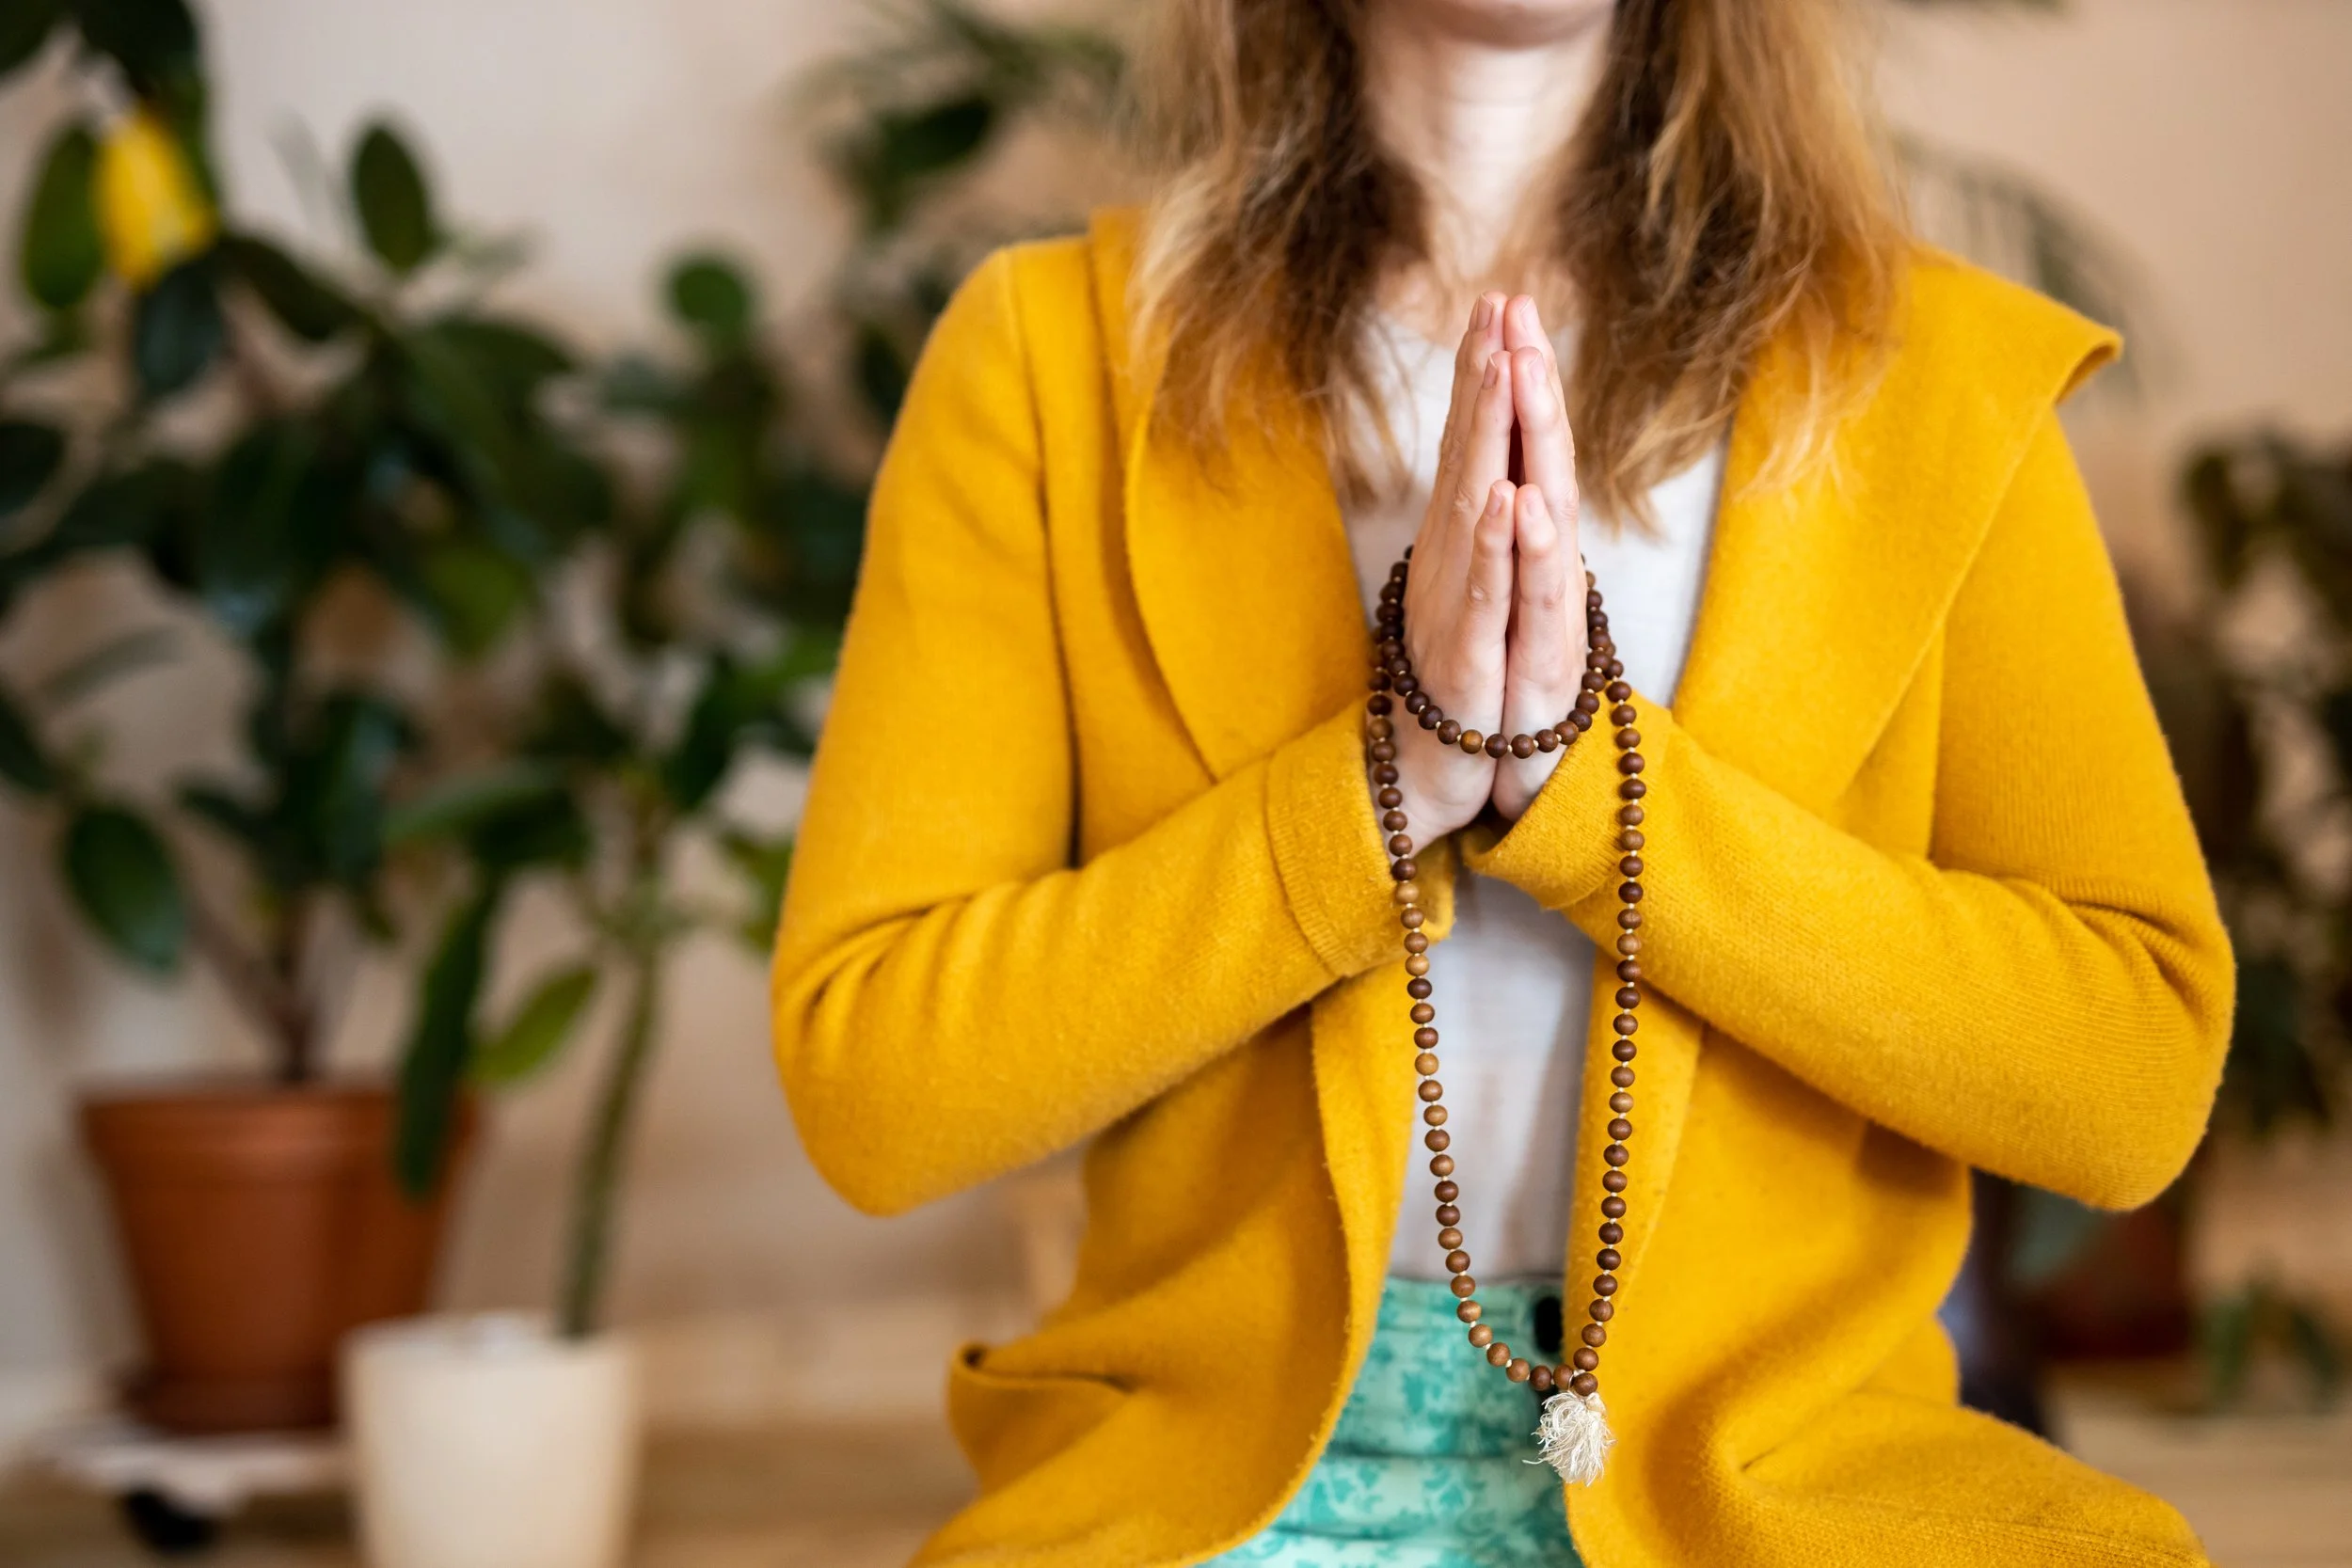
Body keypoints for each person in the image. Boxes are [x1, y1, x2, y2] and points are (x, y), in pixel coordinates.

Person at [770, 0, 2234, 1562]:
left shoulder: (1931, 374)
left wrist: (1590, 802)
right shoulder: (1046, 359)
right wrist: (1386, 785)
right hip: (1191, 1487)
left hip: (1787, 1487)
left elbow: (2132, 1079)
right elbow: (875, 1083)